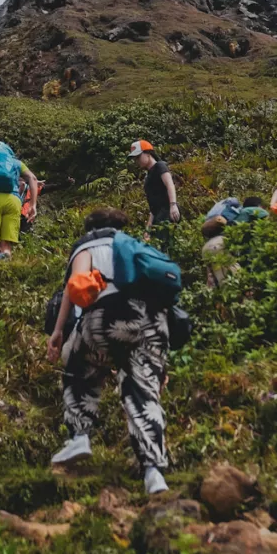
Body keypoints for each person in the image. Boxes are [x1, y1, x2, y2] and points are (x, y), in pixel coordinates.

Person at [47, 208, 171, 496]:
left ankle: (79, 436)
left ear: (90, 228)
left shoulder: (88, 245)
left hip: (107, 317)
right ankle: (154, 473)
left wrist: (58, 331)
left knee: (79, 367)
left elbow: (75, 286)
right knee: (143, 394)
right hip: (152, 323)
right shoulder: (136, 246)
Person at [128, 140, 180, 247]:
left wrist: (173, 205)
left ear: (148, 153)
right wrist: (148, 227)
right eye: (135, 159)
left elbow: (170, 184)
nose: (137, 161)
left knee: (165, 244)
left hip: (167, 211)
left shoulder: (160, 166)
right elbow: (153, 206)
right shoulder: (148, 176)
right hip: (158, 215)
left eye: (138, 157)